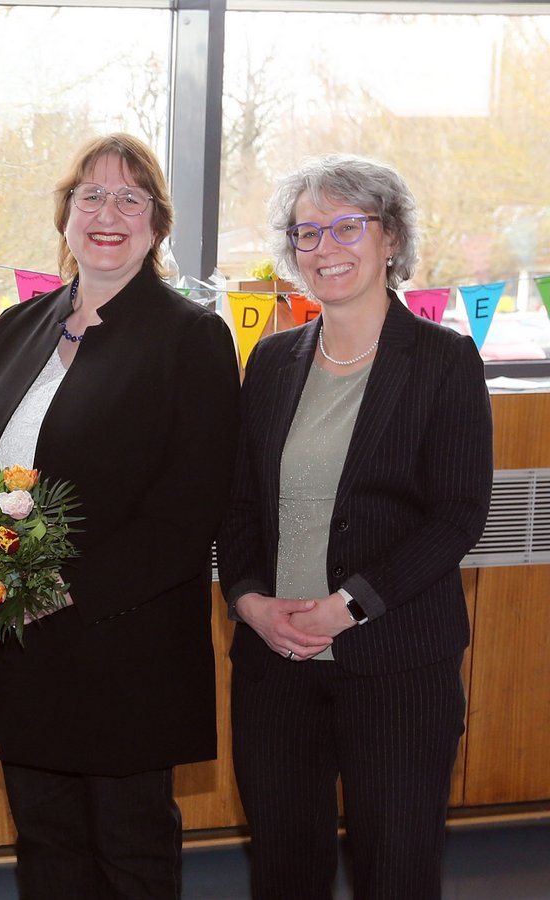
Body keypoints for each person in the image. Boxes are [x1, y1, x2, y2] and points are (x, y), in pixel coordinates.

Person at [0, 133, 240, 899]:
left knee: (129, 851)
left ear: (157, 224)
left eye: (130, 198)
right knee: (46, 843)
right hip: (14, 643)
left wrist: (57, 592)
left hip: (121, 648)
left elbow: (190, 507)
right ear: (65, 216)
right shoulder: (19, 325)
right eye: (90, 196)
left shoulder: (191, 337)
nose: (108, 214)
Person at [218, 155, 492, 900]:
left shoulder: (444, 359)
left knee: (395, 872)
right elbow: (238, 507)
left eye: (347, 227)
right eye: (307, 233)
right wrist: (249, 601)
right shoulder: (271, 361)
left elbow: (457, 515)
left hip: (398, 664)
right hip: (275, 666)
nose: (326, 248)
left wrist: (349, 606)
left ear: (391, 238)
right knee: (285, 873)